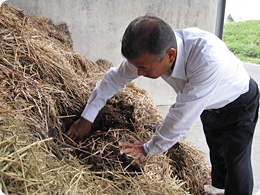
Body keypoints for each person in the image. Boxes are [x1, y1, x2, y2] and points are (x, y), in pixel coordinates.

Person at [66, 15, 259, 195]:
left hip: (239, 103)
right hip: (209, 105)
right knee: (217, 148)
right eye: (136, 66)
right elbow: (113, 79)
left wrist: (148, 148)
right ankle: (218, 188)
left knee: (236, 160)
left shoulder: (206, 58)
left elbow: (181, 116)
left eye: (144, 68)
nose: (138, 73)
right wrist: (87, 117)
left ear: (171, 56)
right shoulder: (153, 51)